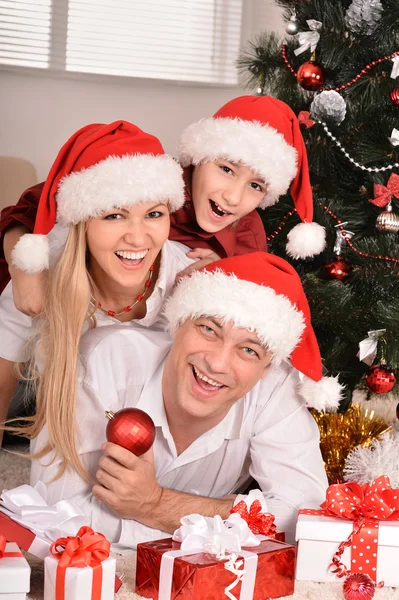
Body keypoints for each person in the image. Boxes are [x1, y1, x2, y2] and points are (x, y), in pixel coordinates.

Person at [0, 95, 327, 443]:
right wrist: (25, 269)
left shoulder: (244, 235)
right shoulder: (148, 177)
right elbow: (36, 209)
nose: (233, 197)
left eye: (255, 186)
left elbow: (249, 324)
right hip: (45, 360)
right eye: (226, 169)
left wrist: (222, 280)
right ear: (197, 159)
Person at [23, 252, 342, 547]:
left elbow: (306, 517)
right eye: (208, 329)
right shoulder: (103, 360)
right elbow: (51, 514)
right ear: (179, 324)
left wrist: (154, 505)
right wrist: (207, 528)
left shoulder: (275, 387)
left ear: (265, 369)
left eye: (248, 350)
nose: (217, 363)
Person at [0, 119, 200, 458]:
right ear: (83, 223)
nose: (138, 238)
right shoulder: (41, 274)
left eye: (154, 214)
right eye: (114, 216)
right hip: (47, 403)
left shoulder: (190, 280)